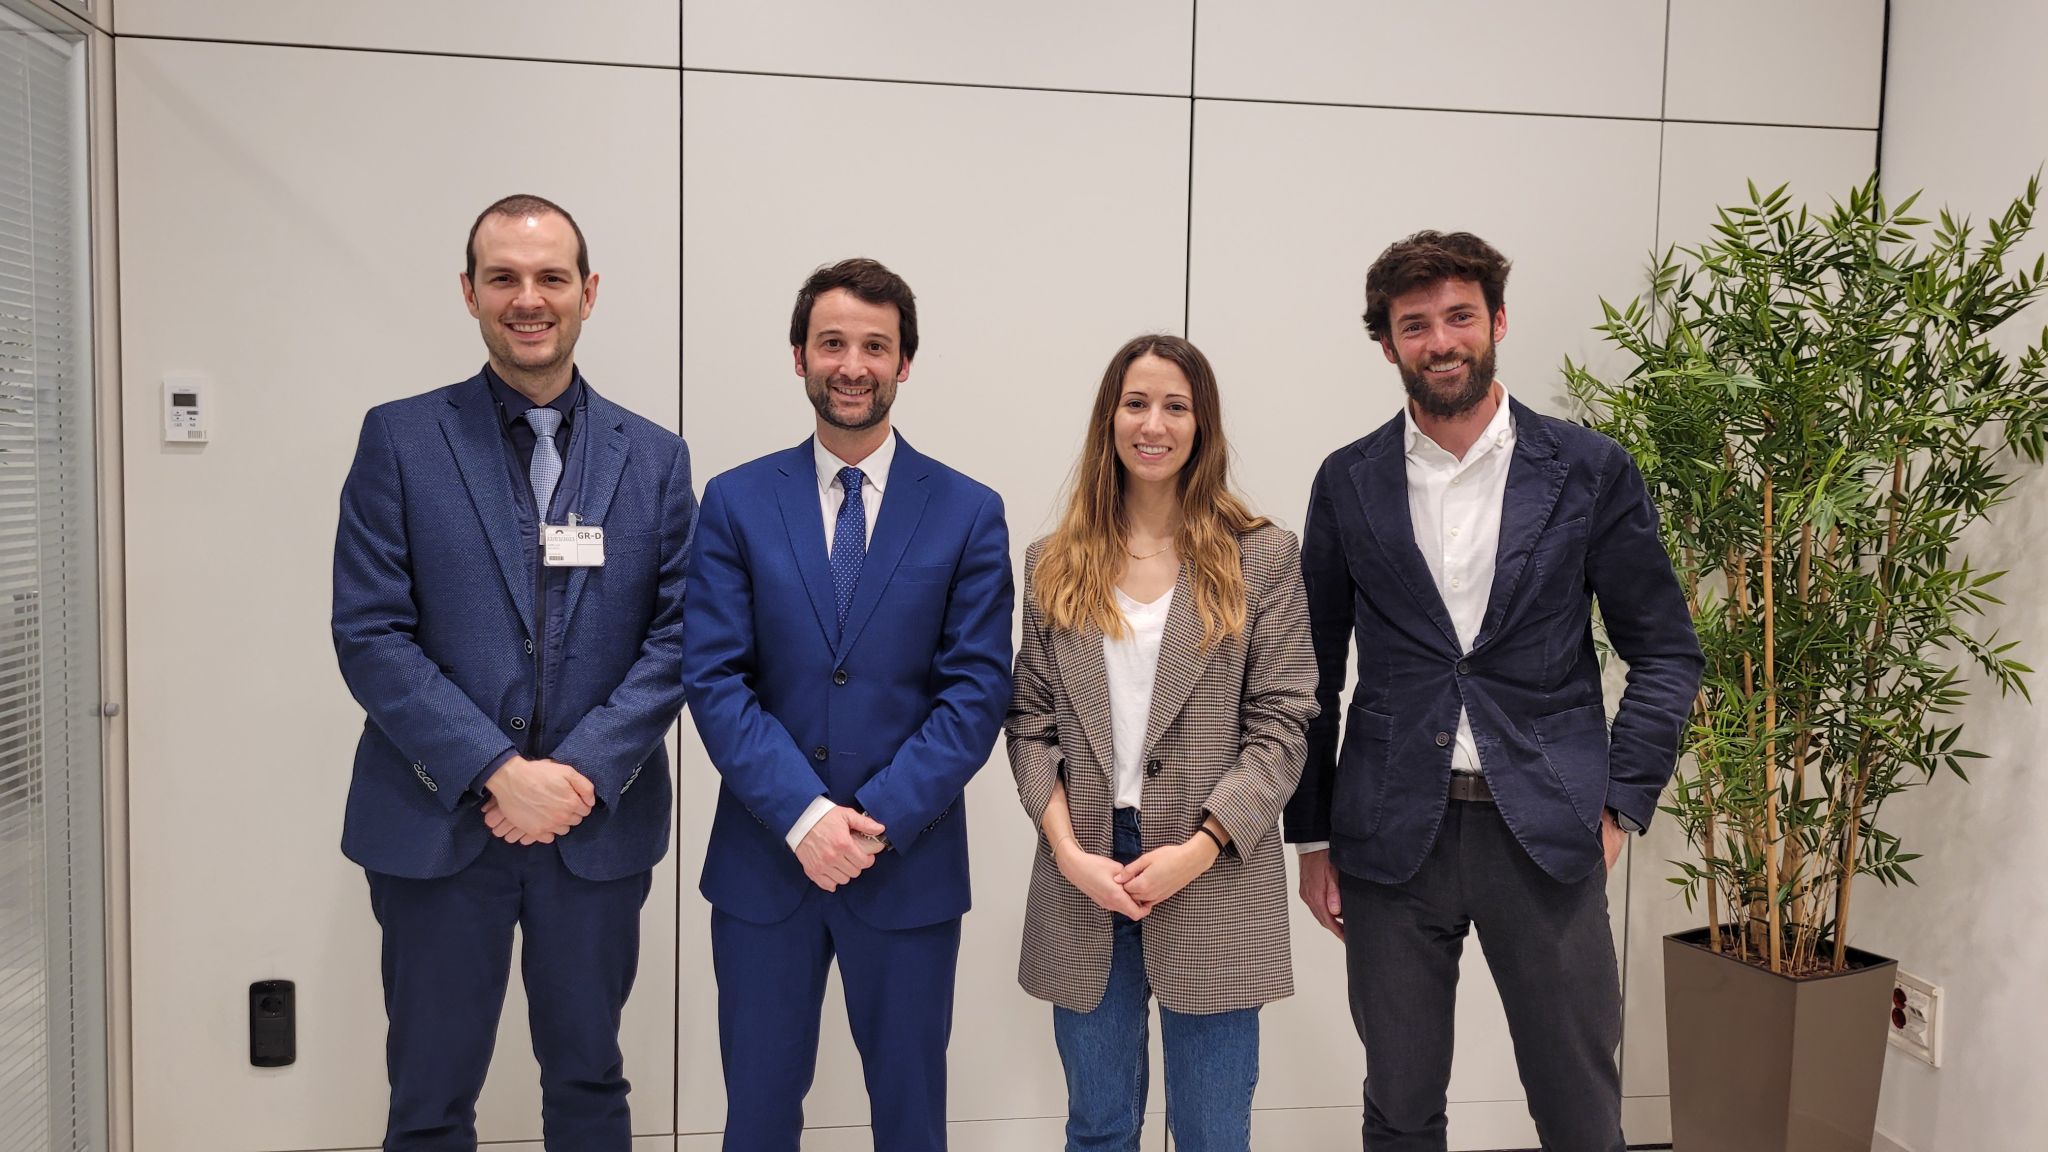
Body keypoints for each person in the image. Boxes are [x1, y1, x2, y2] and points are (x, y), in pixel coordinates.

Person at [1286, 231, 1703, 1151]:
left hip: (1547, 836)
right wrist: (1311, 835)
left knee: (1580, 1109)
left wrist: (1621, 806)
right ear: (1387, 344)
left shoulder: (1591, 470)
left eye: (1460, 317)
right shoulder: (1347, 481)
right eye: (1416, 325)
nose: (1441, 341)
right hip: (1392, 837)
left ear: (1498, 322)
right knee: (1399, 1109)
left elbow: (1667, 652)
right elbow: (1309, 671)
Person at [332, 194, 695, 1148]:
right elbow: (371, 633)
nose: (527, 299)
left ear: (589, 292)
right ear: (469, 292)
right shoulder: (400, 440)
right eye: (504, 278)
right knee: (429, 1101)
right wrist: (500, 771)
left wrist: (570, 777)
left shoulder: (654, 459)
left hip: (592, 829)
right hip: (436, 826)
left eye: (550, 277)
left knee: (588, 1084)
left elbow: (681, 635)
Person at [680, 257, 1014, 1152]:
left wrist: (871, 820)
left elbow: (977, 691)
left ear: (906, 363)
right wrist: (802, 816)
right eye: (833, 343)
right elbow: (713, 677)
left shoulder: (969, 512)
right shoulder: (737, 501)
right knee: (755, 1120)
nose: (853, 364)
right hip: (764, 865)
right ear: (799, 357)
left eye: (877, 345)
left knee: (911, 1123)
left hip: (905, 866)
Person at [1006, 334, 1318, 1151]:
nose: (1154, 423)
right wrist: (1071, 852)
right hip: (1086, 872)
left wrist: (1202, 846)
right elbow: (1029, 721)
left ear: (1202, 424)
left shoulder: (1265, 557)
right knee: (1099, 1129)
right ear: (1109, 419)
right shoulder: (1053, 564)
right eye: (1136, 403)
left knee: (1214, 1134)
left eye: (1175, 406)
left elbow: (1284, 722)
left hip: (1213, 866)